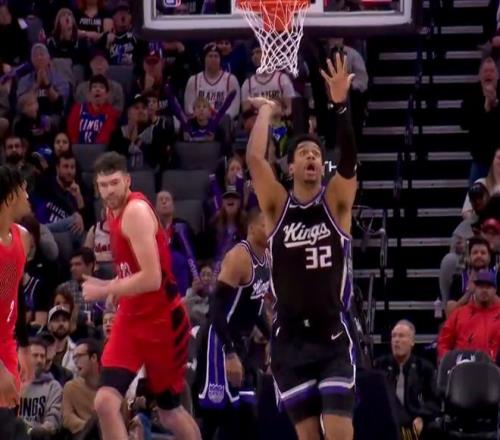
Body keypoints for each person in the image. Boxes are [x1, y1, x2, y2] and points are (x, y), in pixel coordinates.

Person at [246, 54, 357, 440]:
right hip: (289, 339)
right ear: (290, 167)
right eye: (303, 153)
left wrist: (341, 105)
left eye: (316, 153)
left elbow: (349, 162)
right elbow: (255, 159)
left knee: (339, 430)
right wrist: (266, 111)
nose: (311, 155)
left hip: (331, 335)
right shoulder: (278, 206)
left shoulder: (336, 203)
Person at [82, 152, 201, 440]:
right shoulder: (111, 212)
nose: (109, 191)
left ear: (127, 181)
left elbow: (152, 278)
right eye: (103, 185)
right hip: (131, 317)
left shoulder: (134, 212)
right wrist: (116, 285)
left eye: (114, 183)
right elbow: (133, 268)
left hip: (162, 321)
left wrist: (106, 289)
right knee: (105, 403)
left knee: (169, 412)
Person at [197, 208, 271, 440]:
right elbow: (215, 307)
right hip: (220, 340)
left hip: (240, 342)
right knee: (214, 418)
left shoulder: (267, 258)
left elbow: (256, 306)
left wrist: (273, 338)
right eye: (265, 225)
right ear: (252, 228)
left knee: (248, 415)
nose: (271, 230)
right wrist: (229, 352)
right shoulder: (239, 257)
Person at [0, 165, 34, 439]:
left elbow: (12, 290)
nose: (28, 196)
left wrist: (23, 344)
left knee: (10, 422)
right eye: (23, 190)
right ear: (10, 196)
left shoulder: (22, 236)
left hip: (6, 343)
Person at [374, 320, 439, 439]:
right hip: (386, 422)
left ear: (412, 341)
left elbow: (434, 401)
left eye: (401, 336)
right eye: (394, 336)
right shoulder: (379, 366)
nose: (396, 340)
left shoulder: (424, 368)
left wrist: (421, 418)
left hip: (413, 421)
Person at [437, 270, 500, 361]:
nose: (484, 290)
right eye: (480, 286)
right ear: (474, 289)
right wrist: (450, 361)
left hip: (495, 367)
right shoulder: (459, 314)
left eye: (488, 287)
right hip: (464, 366)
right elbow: (443, 342)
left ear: (495, 290)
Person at [19, 338, 63, 439]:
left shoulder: (53, 386)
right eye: (35, 355)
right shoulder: (12, 384)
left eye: (42, 356)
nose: (39, 360)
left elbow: (54, 417)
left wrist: (40, 430)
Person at [445, 236, 495, 315]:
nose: (479, 255)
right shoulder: (459, 279)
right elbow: (449, 314)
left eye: (483, 253)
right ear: (469, 257)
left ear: (489, 258)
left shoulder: (497, 277)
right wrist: (468, 293)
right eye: (475, 252)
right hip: (466, 321)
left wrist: (488, 292)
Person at [62, 338, 101, 437]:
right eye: (74, 358)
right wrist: (90, 428)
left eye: (79, 356)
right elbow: (67, 418)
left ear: (93, 357)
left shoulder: (111, 388)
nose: (75, 361)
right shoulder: (70, 387)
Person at [67, 74, 120, 145]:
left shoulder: (111, 112)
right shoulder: (78, 109)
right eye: (94, 87)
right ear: (89, 93)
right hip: (78, 148)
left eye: (101, 87)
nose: (97, 89)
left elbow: (106, 135)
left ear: (107, 94)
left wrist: (93, 148)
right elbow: (72, 132)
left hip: (100, 149)